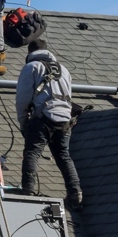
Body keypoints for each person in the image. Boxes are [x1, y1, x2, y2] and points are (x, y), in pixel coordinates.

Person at [15, 39, 82, 209]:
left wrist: (24, 124)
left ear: (30, 53)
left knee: (32, 152)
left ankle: (28, 191)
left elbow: (22, 99)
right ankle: (75, 193)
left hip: (44, 117)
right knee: (63, 155)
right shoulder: (64, 70)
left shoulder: (32, 67)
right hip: (65, 120)